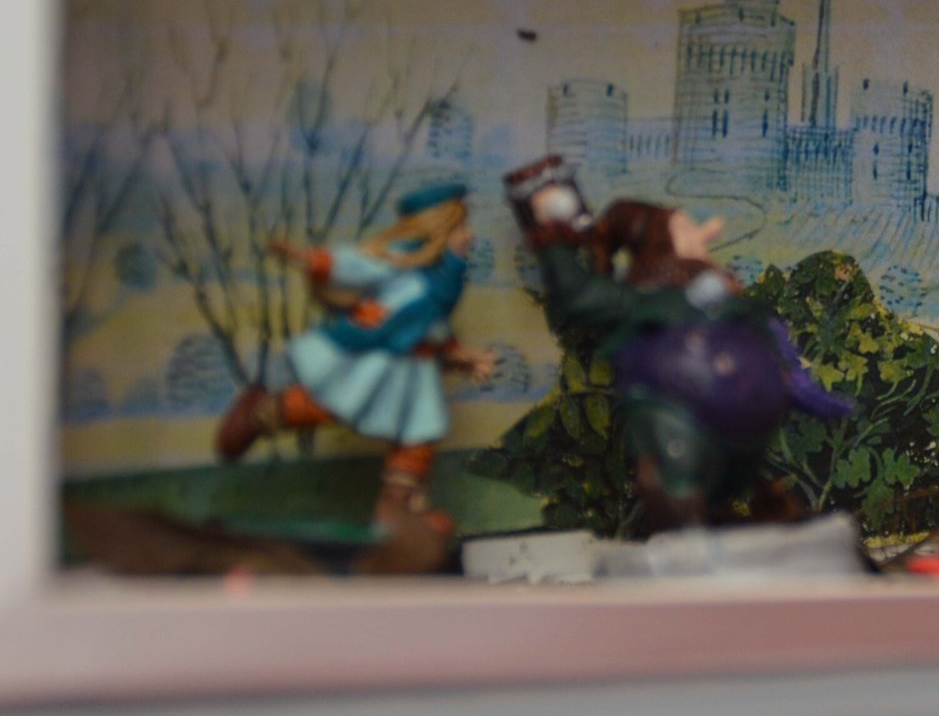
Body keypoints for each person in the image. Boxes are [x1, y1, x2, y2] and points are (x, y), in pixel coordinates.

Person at [504, 156, 852, 532]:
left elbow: (767, 331)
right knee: (680, 485)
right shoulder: (643, 301)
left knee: (740, 486)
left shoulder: (719, 296)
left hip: (747, 430)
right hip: (681, 423)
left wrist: (791, 379)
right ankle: (690, 531)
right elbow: (579, 295)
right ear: (660, 243)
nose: (707, 232)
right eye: (687, 229)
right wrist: (553, 235)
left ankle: (749, 518)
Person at [214, 182, 494, 533]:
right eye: (458, 226)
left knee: (417, 439)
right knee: (334, 405)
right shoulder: (400, 263)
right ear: (437, 226)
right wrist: (311, 259)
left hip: (417, 373)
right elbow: (367, 268)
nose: (467, 235)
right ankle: (262, 414)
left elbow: (435, 325)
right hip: (381, 365)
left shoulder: (436, 274)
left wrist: (465, 358)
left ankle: (397, 512)